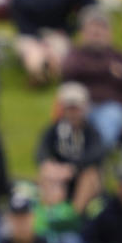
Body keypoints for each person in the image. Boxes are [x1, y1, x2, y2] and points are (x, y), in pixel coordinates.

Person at [61, 6, 122, 148]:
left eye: (101, 28)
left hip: (110, 106)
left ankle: (93, 152)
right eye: (92, 28)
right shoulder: (75, 54)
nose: (97, 32)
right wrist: (109, 70)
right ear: (83, 32)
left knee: (106, 128)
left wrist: (88, 70)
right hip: (81, 106)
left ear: (109, 33)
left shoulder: (120, 56)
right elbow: (68, 71)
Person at [10, 0, 95, 85]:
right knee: (33, 55)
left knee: (57, 51)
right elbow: (20, 23)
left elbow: (90, 4)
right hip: (30, 36)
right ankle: (41, 73)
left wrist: (73, 28)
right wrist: (40, 41)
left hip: (58, 33)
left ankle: (49, 72)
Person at [36, 82, 105, 214]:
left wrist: (72, 168)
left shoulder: (91, 131)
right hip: (60, 177)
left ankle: (74, 215)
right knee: (46, 172)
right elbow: (41, 151)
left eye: (76, 109)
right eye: (69, 108)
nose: (73, 113)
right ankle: (52, 214)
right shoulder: (54, 129)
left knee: (90, 174)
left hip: (82, 177)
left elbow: (96, 154)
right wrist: (52, 168)